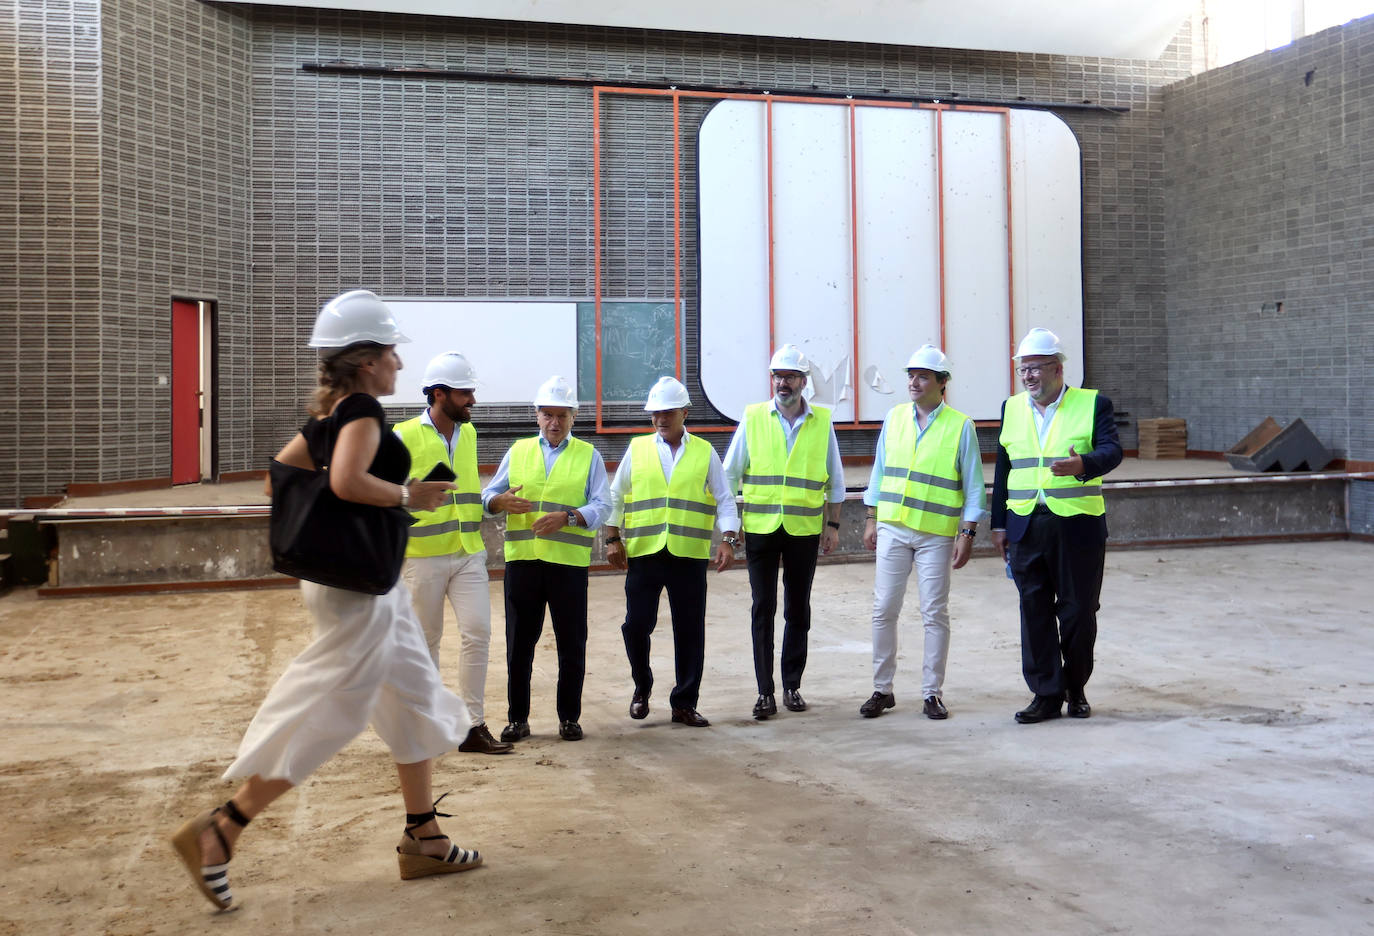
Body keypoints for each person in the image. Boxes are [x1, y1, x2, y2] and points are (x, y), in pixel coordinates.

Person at [170, 290, 482, 913]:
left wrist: (341, 513)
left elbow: (277, 478)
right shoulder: (362, 407)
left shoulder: (331, 415)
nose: (398, 362)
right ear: (366, 359)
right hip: (357, 590)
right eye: (391, 350)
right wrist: (404, 497)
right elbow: (344, 482)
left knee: (415, 695)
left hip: (366, 585)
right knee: (331, 710)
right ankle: (221, 829)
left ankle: (424, 836)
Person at [990, 327, 1122, 724]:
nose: (1028, 377)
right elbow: (1005, 470)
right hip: (1026, 525)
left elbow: (1112, 450)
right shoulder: (1011, 408)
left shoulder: (1093, 404)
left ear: (1058, 368)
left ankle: (1076, 688)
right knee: (1034, 612)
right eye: (1022, 369)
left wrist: (1084, 465)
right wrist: (999, 525)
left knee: (1079, 611)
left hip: (1078, 527)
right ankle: (1045, 694)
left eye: (1035, 368)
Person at [859, 345, 988, 720]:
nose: (914, 382)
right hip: (894, 527)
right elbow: (880, 472)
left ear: (942, 383)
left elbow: (974, 485)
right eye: (911, 375)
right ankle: (882, 690)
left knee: (934, 612)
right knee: (884, 609)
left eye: (923, 376)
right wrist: (871, 517)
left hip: (935, 534)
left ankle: (932, 693)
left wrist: (967, 533)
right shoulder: (894, 418)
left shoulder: (960, 425)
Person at [394, 352, 512, 755]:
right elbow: (383, 497)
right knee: (426, 643)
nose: (472, 401)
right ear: (439, 394)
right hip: (423, 556)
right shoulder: (403, 436)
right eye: (465, 394)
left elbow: (469, 496)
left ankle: (472, 726)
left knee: (477, 633)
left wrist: (495, 503)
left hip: (468, 552)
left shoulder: (470, 433)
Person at [603, 377, 739, 728]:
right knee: (636, 625)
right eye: (655, 414)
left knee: (690, 630)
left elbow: (724, 499)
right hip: (645, 553)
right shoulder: (637, 449)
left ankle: (684, 702)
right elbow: (616, 495)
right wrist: (612, 538)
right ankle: (641, 687)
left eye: (667, 413)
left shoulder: (705, 452)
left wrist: (729, 539)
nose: (661, 419)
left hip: (688, 556)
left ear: (684, 413)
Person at [482, 376, 610, 742]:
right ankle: (517, 719)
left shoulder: (589, 455)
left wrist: (569, 517)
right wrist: (498, 502)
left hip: (568, 566)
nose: (554, 422)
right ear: (536, 416)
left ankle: (569, 718)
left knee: (572, 644)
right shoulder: (518, 450)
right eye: (547, 414)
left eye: (562, 415)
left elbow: (603, 504)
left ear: (574, 417)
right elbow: (487, 496)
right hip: (523, 563)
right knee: (519, 644)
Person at [722, 344, 844, 719]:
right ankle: (765, 692)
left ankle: (791, 684)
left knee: (797, 608)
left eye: (790, 376)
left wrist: (833, 526)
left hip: (804, 529)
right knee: (763, 607)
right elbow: (728, 473)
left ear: (804, 382)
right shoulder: (754, 417)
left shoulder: (822, 421)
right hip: (760, 528)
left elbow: (835, 480)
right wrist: (731, 526)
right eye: (778, 375)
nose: (783, 382)